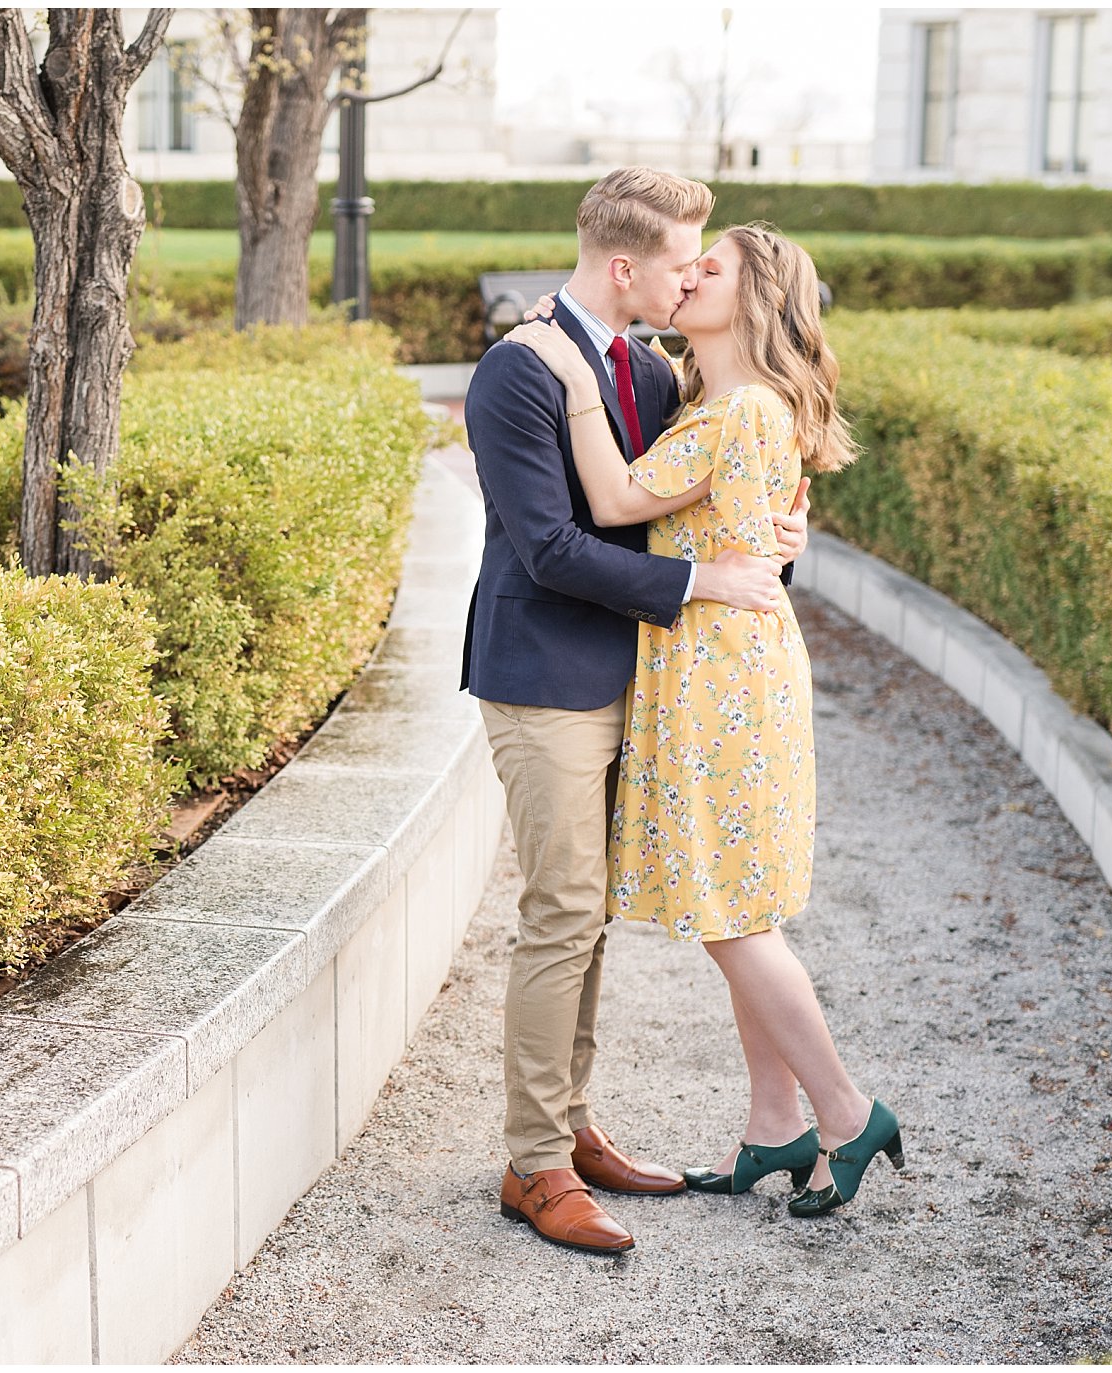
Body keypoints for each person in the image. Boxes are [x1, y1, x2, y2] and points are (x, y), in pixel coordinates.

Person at [505, 221, 901, 1222]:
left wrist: (568, 369)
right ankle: (775, 1123)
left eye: (708, 269)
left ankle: (846, 1110)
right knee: (739, 907)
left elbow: (605, 494)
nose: (687, 278)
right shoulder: (716, 404)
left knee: (726, 914)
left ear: (752, 298)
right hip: (725, 671)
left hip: (719, 682)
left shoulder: (735, 413)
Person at [460, 167, 809, 1257]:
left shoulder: (652, 375)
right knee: (559, 907)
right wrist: (703, 584)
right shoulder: (515, 373)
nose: (689, 277)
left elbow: (684, 504)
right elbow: (551, 546)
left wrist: (766, 547)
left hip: (638, 677)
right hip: (543, 674)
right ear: (624, 267)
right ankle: (532, 1162)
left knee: (588, 912)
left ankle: (568, 1124)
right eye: (677, 262)